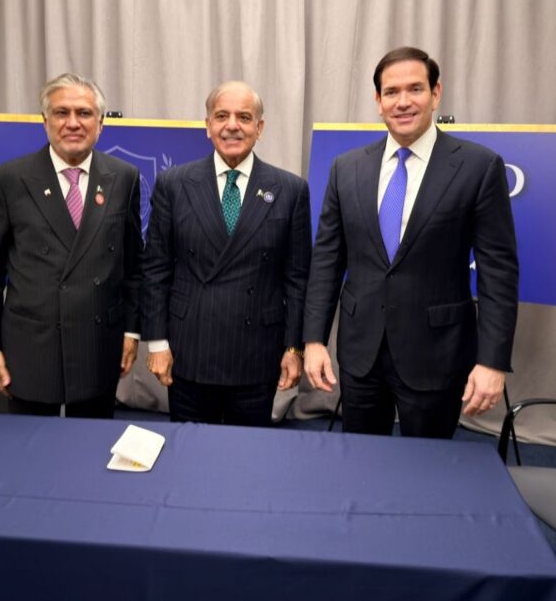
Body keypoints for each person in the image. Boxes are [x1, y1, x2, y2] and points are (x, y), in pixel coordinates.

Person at [303, 47, 519, 438]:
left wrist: (492, 361)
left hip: (437, 353)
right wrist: (314, 340)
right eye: (391, 92)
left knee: (428, 466)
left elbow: (498, 273)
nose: (403, 102)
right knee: (361, 461)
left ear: (436, 94)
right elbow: (326, 261)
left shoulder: (479, 167)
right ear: (378, 101)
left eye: (415, 89)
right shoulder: (346, 168)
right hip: (361, 352)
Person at [0, 72, 142, 417]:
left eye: (84, 113)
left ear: (101, 123)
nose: (73, 123)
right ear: (45, 121)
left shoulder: (124, 177)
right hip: (31, 349)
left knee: (92, 444)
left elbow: (134, 268)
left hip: (98, 346)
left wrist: (132, 331)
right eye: (62, 113)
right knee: (32, 446)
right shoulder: (9, 180)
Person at [141, 81, 311, 425]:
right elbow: (156, 269)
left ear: (259, 128)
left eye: (244, 117)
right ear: (208, 126)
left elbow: (297, 279)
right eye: (222, 116)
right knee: (190, 450)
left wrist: (294, 348)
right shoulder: (174, 184)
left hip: (257, 354)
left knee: (247, 453)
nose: (232, 125)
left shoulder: (290, 189)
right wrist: (157, 342)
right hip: (190, 350)